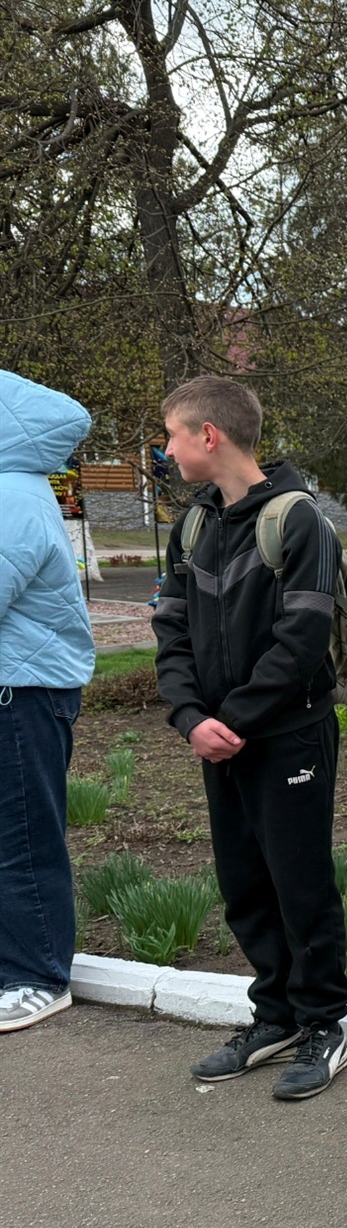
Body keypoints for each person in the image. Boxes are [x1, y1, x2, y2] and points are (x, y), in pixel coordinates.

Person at [152, 377, 347, 1098]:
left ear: (211, 436)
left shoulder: (299, 522)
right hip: (218, 742)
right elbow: (169, 631)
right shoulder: (193, 525)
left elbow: (301, 642)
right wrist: (190, 718)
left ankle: (325, 1025)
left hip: (290, 737)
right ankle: (276, 1015)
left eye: (174, 433)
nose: (166, 447)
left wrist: (231, 720)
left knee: (301, 885)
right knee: (244, 884)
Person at [0, 372, 95, 1033]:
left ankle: (40, 975)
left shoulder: (12, 496)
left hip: (23, 693)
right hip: (19, 685)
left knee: (24, 840)